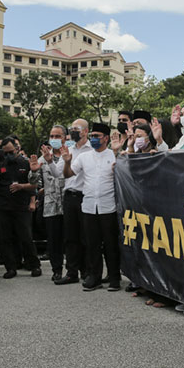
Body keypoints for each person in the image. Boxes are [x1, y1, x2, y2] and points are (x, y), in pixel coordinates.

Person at [61, 122, 120, 292]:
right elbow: (68, 175)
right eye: (92, 136)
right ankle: (94, 277)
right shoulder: (84, 157)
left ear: (106, 138)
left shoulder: (113, 155)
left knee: (110, 244)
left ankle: (114, 277)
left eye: (97, 136)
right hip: (88, 206)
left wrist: (118, 153)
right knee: (91, 244)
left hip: (108, 206)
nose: (93, 139)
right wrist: (66, 162)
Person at [0, 137, 41, 279]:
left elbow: (34, 185)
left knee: (26, 237)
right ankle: (10, 267)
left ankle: (34, 265)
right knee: (6, 239)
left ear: (17, 148)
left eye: (10, 152)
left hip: (21, 206)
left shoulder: (26, 163)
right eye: (5, 153)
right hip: (3, 207)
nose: (8, 155)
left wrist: (29, 197)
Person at [50, 119, 93, 285]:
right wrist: (48, 161)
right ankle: (72, 272)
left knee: (87, 236)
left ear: (85, 131)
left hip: (85, 195)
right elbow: (58, 173)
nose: (73, 131)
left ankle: (88, 271)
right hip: (69, 196)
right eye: (72, 128)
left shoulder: (92, 149)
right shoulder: (68, 148)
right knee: (70, 236)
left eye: (77, 128)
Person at [28, 126, 67, 281]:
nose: (54, 139)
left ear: (65, 137)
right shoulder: (43, 158)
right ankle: (56, 270)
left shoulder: (69, 155)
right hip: (51, 205)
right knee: (53, 240)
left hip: (68, 203)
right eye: (52, 136)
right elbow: (33, 182)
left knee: (72, 239)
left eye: (58, 136)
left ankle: (75, 269)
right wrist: (33, 171)